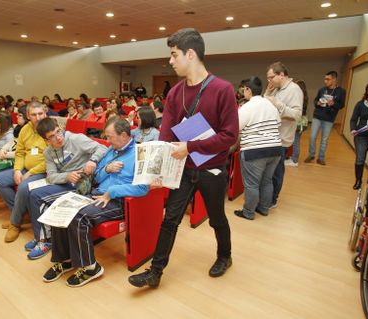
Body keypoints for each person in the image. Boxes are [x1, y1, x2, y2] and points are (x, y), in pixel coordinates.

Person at [128, 28, 238, 288]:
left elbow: (229, 136)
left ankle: (225, 256)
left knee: (217, 218)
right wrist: (156, 171)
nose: (170, 60)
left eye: (174, 54)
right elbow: (166, 135)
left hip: (211, 168)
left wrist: (190, 146)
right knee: (170, 220)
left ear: (190, 54)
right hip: (183, 169)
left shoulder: (222, 89)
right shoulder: (174, 93)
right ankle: (155, 272)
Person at [41, 117, 148, 287]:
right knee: (59, 208)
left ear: (124, 135)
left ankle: (91, 268)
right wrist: (107, 168)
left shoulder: (140, 154)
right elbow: (96, 176)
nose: (107, 141)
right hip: (96, 193)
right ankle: (66, 259)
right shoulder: (111, 151)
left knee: (79, 218)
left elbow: (143, 189)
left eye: (110, 137)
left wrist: (111, 192)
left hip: (117, 201)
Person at [24, 118, 107, 259]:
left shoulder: (76, 139)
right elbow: (51, 176)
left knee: (37, 197)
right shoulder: (48, 152)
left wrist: (92, 161)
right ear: (46, 141)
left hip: (83, 183)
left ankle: (45, 241)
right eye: (51, 137)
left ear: (60, 128)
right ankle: (41, 237)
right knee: (32, 193)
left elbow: (103, 148)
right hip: (66, 182)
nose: (58, 138)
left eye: (58, 132)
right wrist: (67, 176)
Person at [0, 102, 48, 242]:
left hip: (44, 171)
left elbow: (52, 159)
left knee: (23, 186)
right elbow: (20, 153)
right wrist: (17, 170)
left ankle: (15, 222)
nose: (38, 117)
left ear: (45, 113)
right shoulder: (25, 129)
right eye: (34, 114)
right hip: (25, 168)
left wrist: (30, 172)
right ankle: (22, 214)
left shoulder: (50, 128)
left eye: (40, 113)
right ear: (28, 116)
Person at [233, 77, 282, 220]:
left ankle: (248, 212)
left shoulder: (247, 107)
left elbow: (236, 128)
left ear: (248, 90)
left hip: (255, 150)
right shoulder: (270, 104)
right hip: (275, 149)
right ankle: (264, 208)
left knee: (251, 184)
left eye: (244, 89)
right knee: (267, 181)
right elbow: (278, 123)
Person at [264, 62, 303, 207]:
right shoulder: (276, 88)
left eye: (271, 77)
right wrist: (268, 93)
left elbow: (297, 115)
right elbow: (265, 104)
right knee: (268, 170)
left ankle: (273, 199)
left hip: (281, 138)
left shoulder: (294, 90)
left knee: (276, 171)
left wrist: (278, 104)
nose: (269, 81)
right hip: (270, 135)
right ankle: (267, 196)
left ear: (281, 75)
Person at [305, 71, 346, 165]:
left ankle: (321, 158)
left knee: (324, 139)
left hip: (329, 118)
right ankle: (311, 155)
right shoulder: (322, 90)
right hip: (317, 116)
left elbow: (342, 105)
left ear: (334, 79)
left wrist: (334, 104)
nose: (325, 81)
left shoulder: (341, 91)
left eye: (328, 79)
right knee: (312, 137)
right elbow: (315, 100)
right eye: (325, 79)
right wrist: (317, 103)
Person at [285, 79, 309, 166]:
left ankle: (294, 160)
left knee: (296, 140)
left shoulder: (298, 97)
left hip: (298, 121)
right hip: (303, 120)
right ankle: (293, 158)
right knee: (296, 140)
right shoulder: (305, 96)